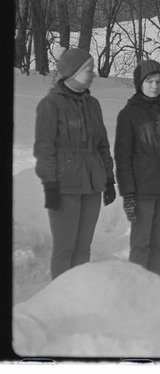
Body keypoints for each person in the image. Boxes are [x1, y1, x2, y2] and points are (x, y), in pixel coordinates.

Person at [34, 48, 116, 280]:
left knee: (83, 248)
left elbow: (102, 144)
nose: (93, 74)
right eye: (89, 69)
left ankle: (79, 299)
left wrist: (109, 179)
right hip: (65, 185)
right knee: (65, 249)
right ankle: (60, 303)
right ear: (72, 73)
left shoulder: (93, 104)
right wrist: (50, 184)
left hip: (92, 183)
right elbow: (44, 149)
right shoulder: (51, 104)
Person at [115, 60, 160, 275]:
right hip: (142, 192)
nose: (155, 85)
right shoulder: (129, 114)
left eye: (159, 81)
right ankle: (138, 292)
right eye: (150, 81)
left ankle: (154, 287)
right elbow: (123, 157)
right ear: (140, 83)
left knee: (157, 245)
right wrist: (128, 193)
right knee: (140, 246)